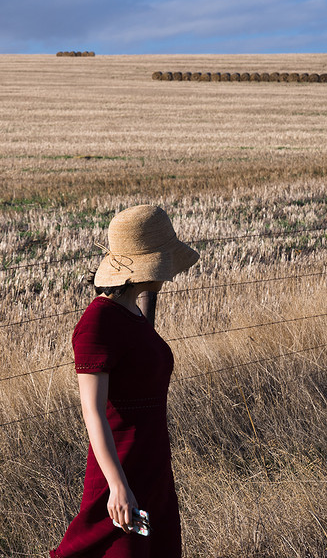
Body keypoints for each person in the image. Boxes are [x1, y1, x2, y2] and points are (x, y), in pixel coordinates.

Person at [51, 205, 199, 558]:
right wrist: (118, 486)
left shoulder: (130, 312)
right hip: (120, 469)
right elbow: (93, 412)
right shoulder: (97, 324)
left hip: (152, 465)